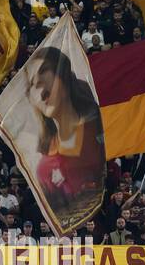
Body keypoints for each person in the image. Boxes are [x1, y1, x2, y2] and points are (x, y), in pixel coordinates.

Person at [25, 45, 105, 229]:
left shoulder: (101, 124)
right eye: (31, 83)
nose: (37, 83)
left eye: (44, 70)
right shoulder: (44, 168)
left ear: (63, 73)